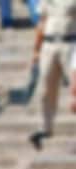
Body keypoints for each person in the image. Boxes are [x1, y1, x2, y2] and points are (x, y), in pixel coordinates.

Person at [29, 0, 76, 149]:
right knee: (45, 88)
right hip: (49, 44)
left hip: (70, 43)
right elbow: (42, 22)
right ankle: (45, 127)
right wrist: (36, 49)